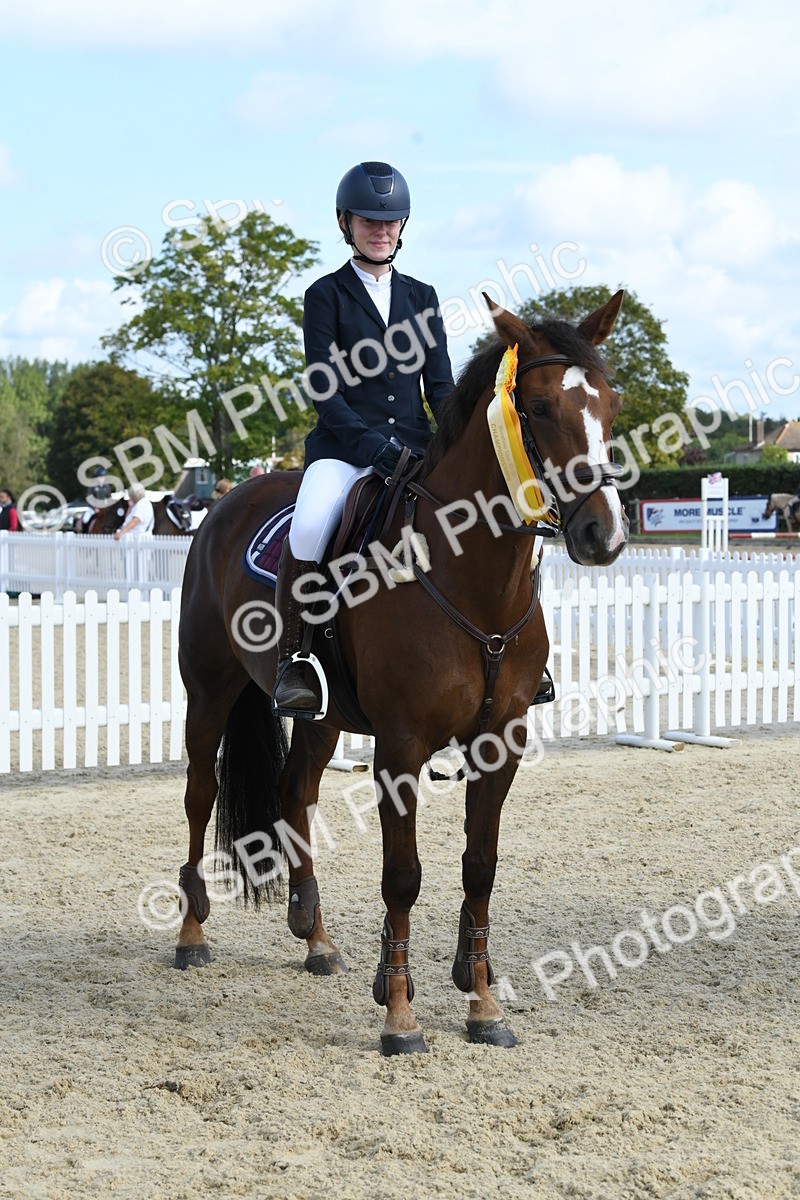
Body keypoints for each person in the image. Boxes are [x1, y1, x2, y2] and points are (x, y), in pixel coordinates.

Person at [273, 160, 454, 714]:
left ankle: (510, 651)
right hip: (346, 452)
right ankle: (296, 659)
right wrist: (373, 447)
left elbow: (442, 388)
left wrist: (464, 437)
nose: (381, 231)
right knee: (306, 528)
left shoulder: (423, 297)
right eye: (369, 221)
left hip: (417, 451)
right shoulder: (324, 296)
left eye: (390, 221)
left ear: (403, 226)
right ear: (345, 223)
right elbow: (326, 393)